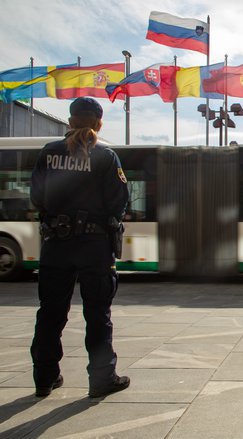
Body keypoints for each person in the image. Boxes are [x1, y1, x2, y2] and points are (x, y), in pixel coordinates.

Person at [30, 97, 131, 398]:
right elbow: (119, 201)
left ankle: (44, 378)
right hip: (94, 246)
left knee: (50, 313)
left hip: (56, 244)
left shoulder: (49, 153)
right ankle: (101, 379)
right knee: (97, 313)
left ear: (70, 121)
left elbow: (36, 196)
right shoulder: (105, 156)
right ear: (99, 123)